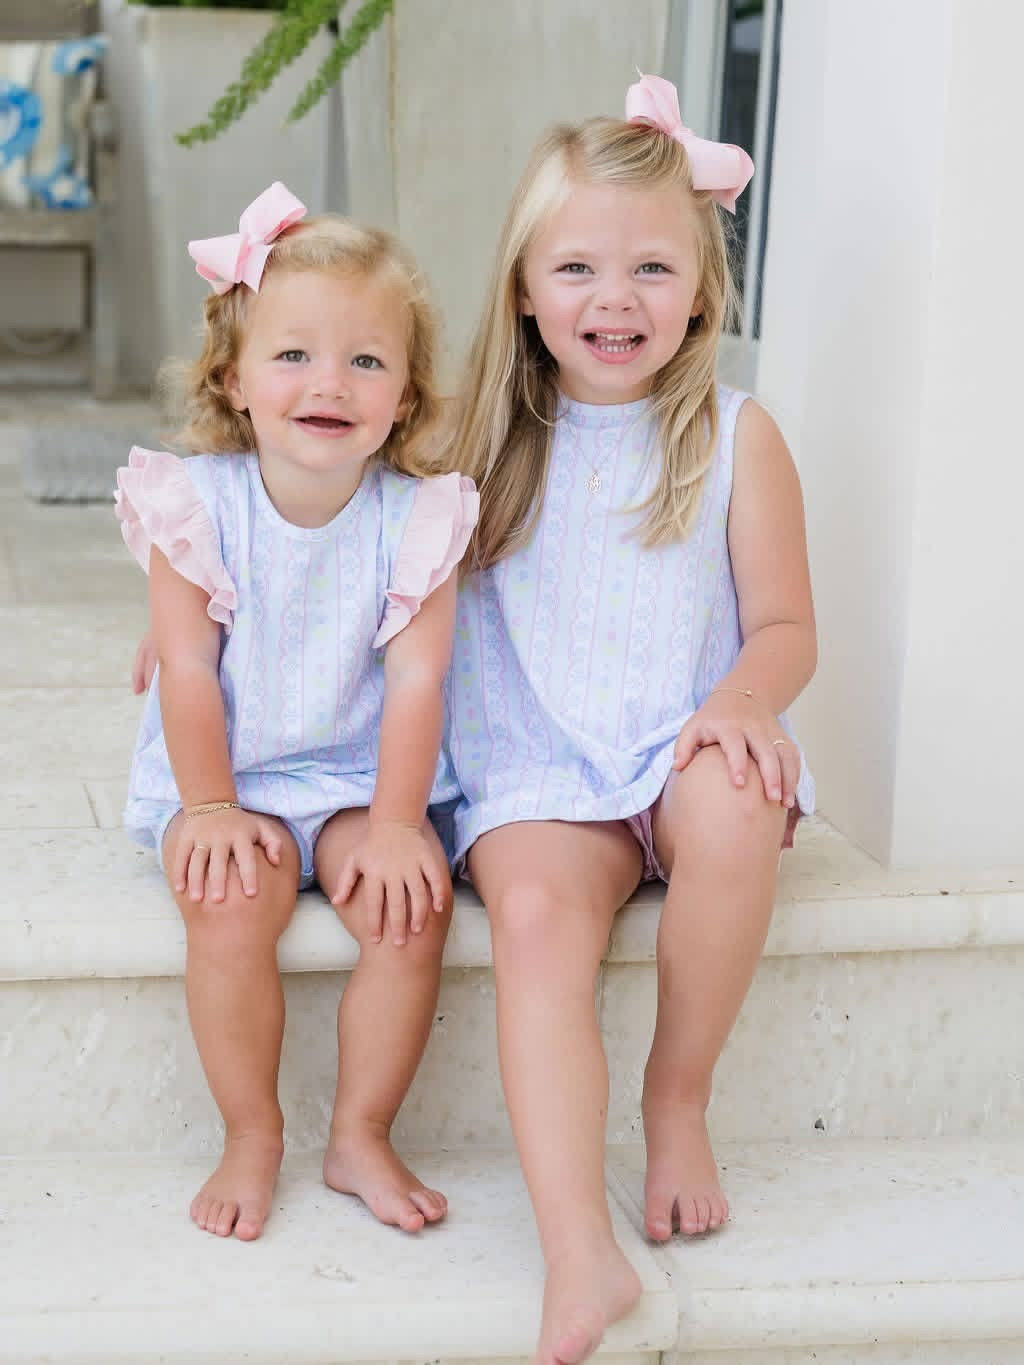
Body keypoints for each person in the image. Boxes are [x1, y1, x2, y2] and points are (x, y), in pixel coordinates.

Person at [441, 76, 816, 1364]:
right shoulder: (473, 439)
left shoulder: (734, 435)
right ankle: (575, 1251)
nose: (617, 298)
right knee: (537, 921)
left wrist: (739, 703)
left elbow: (785, 625)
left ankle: (677, 1099)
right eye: (579, 268)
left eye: (653, 267)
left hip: (681, 737)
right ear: (522, 290)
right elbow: (347, 547)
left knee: (740, 798)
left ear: (702, 292)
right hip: (539, 763)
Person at [115, 183, 478, 1243]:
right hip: (228, 778)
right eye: (292, 355)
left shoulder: (418, 519)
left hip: (363, 783)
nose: (329, 382)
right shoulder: (195, 506)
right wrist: (211, 809)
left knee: (411, 910)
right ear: (234, 380)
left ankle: (361, 1131)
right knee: (229, 906)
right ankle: (252, 1131)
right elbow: (187, 671)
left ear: (404, 396)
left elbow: (418, 683)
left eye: (366, 360)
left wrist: (401, 825)